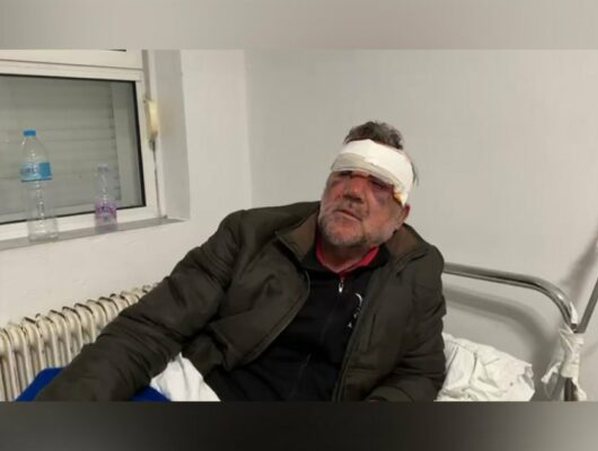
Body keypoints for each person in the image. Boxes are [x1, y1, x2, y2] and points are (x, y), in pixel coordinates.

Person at [37, 121, 447, 401]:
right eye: (344, 174)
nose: (353, 191)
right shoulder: (250, 234)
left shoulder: (417, 272)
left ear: (401, 216)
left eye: (379, 184)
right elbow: (150, 328)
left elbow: (419, 373)